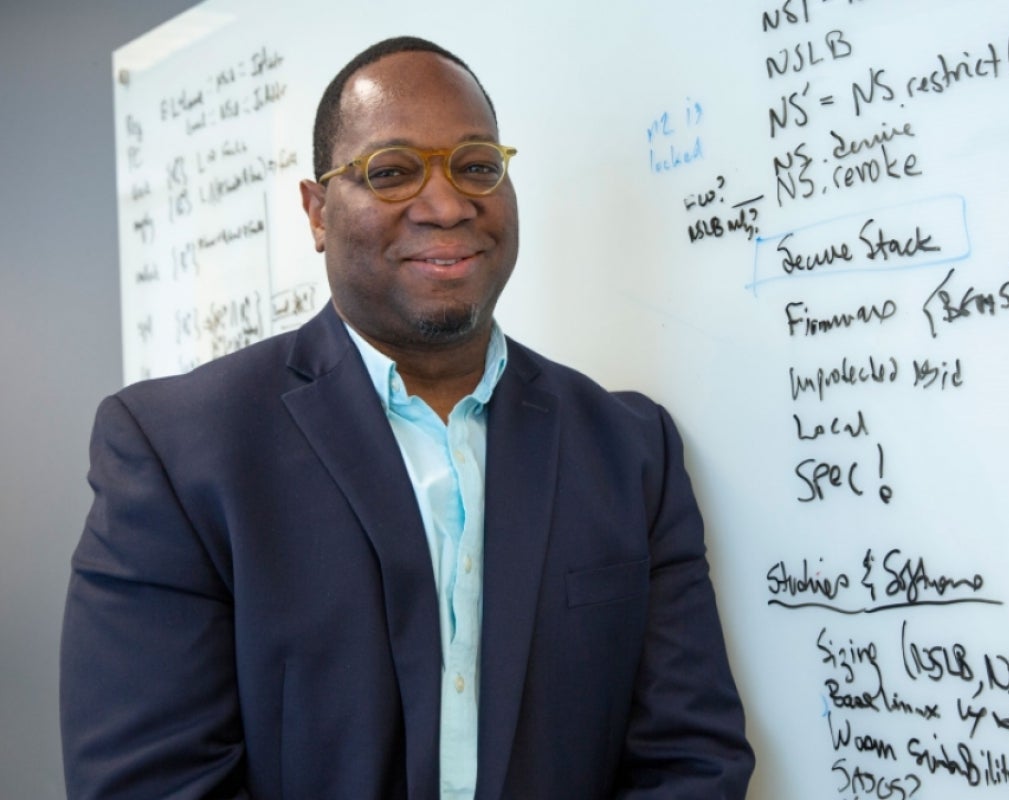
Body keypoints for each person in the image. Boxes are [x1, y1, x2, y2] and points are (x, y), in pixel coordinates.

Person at [60, 36, 754, 799]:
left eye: (477, 165)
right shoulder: (176, 453)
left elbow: (692, 761)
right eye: (391, 173)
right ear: (317, 212)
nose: (449, 204)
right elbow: (151, 783)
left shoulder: (630, 453)